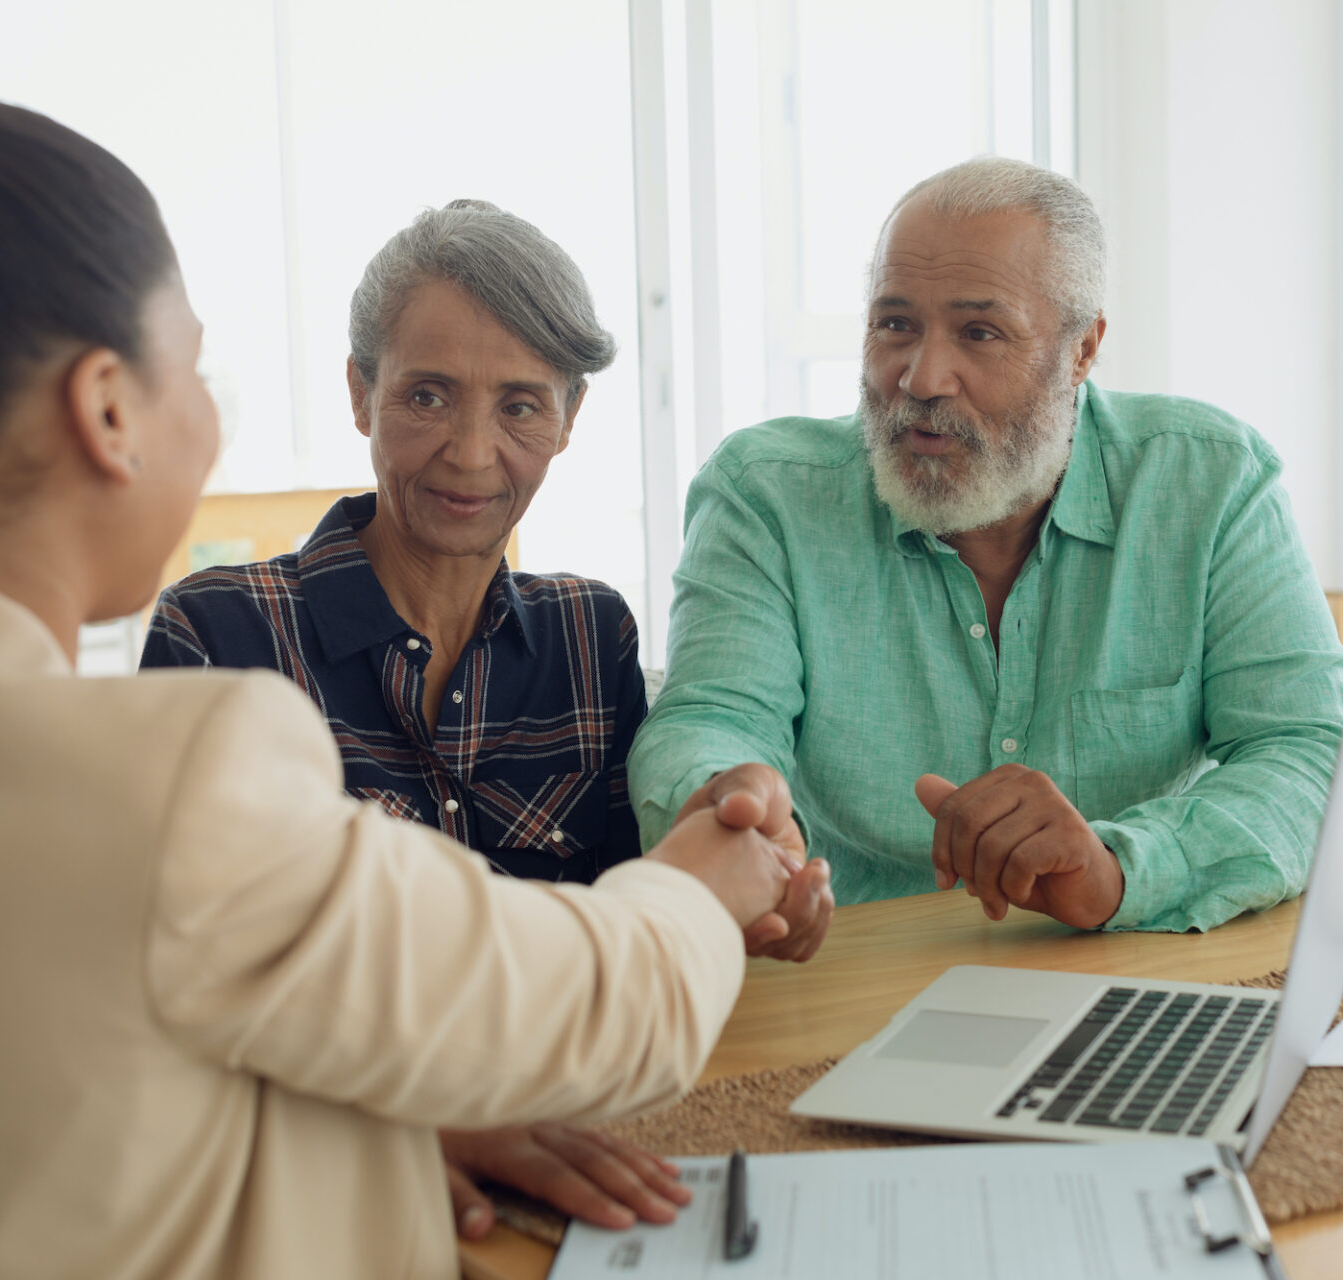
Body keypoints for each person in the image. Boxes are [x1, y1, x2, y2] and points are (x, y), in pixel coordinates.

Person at [0, 23, 800, 1280]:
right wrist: (711, 878)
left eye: (520, 402)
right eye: (196, 362)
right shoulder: (185, 763)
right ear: (109, 408)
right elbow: (603, 1007)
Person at [141, 201, 832, 1236]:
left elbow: (623, 919)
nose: (471, 453)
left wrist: (748, 904)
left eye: (520, 406)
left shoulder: (589, 631)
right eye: (427, 396)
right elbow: (170, 1000)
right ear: (359, 393)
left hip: (572, 1154)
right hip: (338, 1192)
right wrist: (405, 1123)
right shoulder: (214, 634)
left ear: (569, 419)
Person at [629, 155, 1343, 934]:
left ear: (1082, 350)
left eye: (980, 333)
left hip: (1124, 956)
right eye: (895, 324)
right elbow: (708, 717)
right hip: (849, 966)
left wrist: (1122, 870)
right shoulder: (765, 493)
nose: (921, 378)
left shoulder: (1209, 481)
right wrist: (725, 808)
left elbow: (1313, 752)